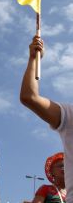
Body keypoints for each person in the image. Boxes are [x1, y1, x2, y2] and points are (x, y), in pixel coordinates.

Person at [20, 36, 73, 203]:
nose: (63, 168)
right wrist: (34, 58)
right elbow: (29, 97)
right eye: (60, 166)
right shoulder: (70, 115)